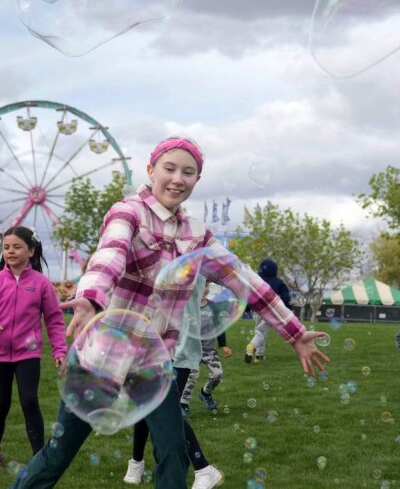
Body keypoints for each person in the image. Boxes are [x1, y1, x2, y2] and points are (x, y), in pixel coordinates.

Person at [12, 137, 329, 489]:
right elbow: (110, 255)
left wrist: (295, 333)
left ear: (196, 180)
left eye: (188, 172)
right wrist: (90, 298)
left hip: (153, 362)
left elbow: (246, 280)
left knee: (174, 451)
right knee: (58, 453)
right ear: (150, 171)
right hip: (102, 357)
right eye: (170, 168)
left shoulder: (197, 235)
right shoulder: (127, 212)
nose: (178, 178)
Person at [124, 277, 223, 487]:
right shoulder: (160, 256)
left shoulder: (193, 259)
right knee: (146, 404)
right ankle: (137, 461)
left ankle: (203, 467)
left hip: (180, 349)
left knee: (164, 410)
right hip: (153, 345)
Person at [0, 227, 67, 466]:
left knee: (29, 400)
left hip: (27, 354)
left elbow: (54, 320)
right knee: (0, 404)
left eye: (16, 247)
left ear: (31, 251)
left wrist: (59, 350)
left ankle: (40, 457)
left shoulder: (41, 283)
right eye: (6, 247)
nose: (10, 251)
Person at [181, 281, 232, 415]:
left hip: (209, 350)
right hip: (193, 351)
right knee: (191, 378)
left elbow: (219, 327)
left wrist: (223, 345)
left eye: (207, 286)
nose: (205, 288)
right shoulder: (189, 306)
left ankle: (205, 393)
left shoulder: (213, 307)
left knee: (217, 374)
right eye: (203, 285)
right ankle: (183, 404)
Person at [245, 258, 291, 364]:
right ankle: (253, 347)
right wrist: (287, 309)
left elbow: (249, 296)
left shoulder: (256, 281)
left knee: (259, 331)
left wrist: (247, 309)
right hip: (271, 311)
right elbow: (286, 297)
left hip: (257, 310)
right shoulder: (279, 282)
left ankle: (259, 356)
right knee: (262, 332)